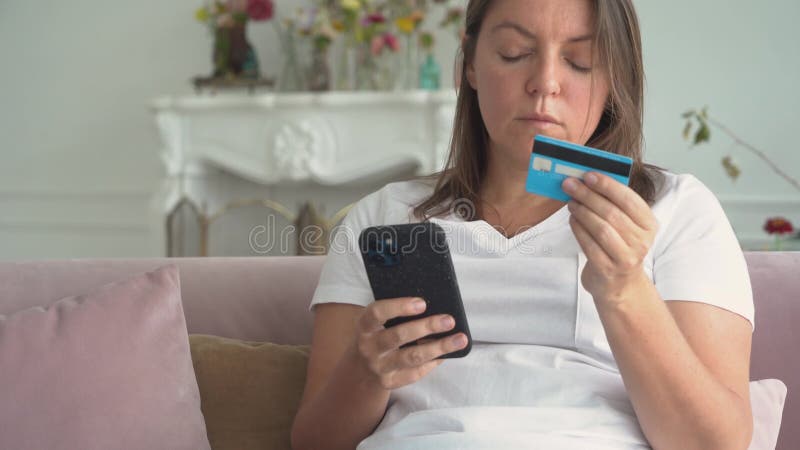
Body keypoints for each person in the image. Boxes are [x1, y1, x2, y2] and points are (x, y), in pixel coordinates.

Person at [291, 0, 755, 449]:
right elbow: (315, 442)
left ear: (615, 79)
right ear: (469, 63)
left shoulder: (678, 211)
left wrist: (624, 288)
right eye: (514, 53)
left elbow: (714, 444)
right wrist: (365, 370)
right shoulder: (383, 217)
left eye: (580, 61)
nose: (545, 83)